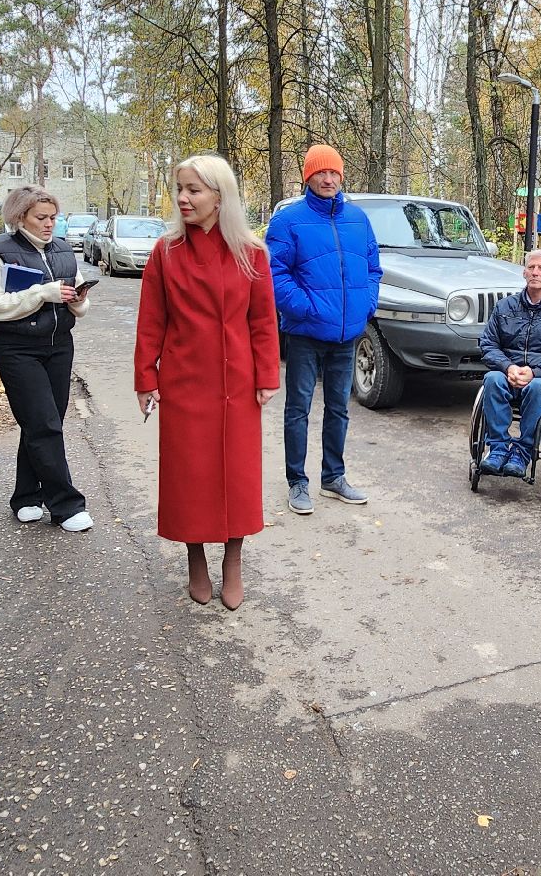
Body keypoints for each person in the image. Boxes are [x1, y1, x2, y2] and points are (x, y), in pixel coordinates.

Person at [135, 155, 280, 610]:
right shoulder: (166, 252)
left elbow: (262, 319)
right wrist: (146, 377)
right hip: (184, 381)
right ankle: (195, 559)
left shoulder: (251, 252)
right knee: (189, 476)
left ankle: (232, 561)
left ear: (220, 197)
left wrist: (267, 374)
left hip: (237, 381)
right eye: (180, 188)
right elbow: (151, 321)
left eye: (194, 190)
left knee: (236, 476)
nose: (183, 198)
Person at [266, 143, 382, 514]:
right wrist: (308, 308)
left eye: (334, 172)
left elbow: (373, 268)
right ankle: (297, 482)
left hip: (347, 333)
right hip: (305, 333)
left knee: (339, 409)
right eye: (320, 172)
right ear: (308, 177)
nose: (328, 178)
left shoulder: (358, 219)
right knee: (298, 408)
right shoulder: (289, 220)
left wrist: (366, 304)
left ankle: (333, 477)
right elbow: (274, 275)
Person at [0, 186, 93, 533]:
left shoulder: (62, 250)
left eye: (53, 218)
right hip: (18, 349)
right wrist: (42, 292)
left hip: (59, 346)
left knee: (43, 423)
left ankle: (26, 497)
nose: (49, 224)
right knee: (44, 424)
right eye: (41, 218)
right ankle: (66, 505)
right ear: (19, 217)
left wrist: (75, 300)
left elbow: (82, 304)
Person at [477, 250, 541, 479]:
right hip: (509, 374)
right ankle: (497, 449)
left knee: (538, 386)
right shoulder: (505, 307)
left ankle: (523, 452)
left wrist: (534, 373)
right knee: (492, 379)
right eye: (531, 267)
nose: (535, 272)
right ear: (524, 272)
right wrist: (508, 367)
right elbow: (488, 344)